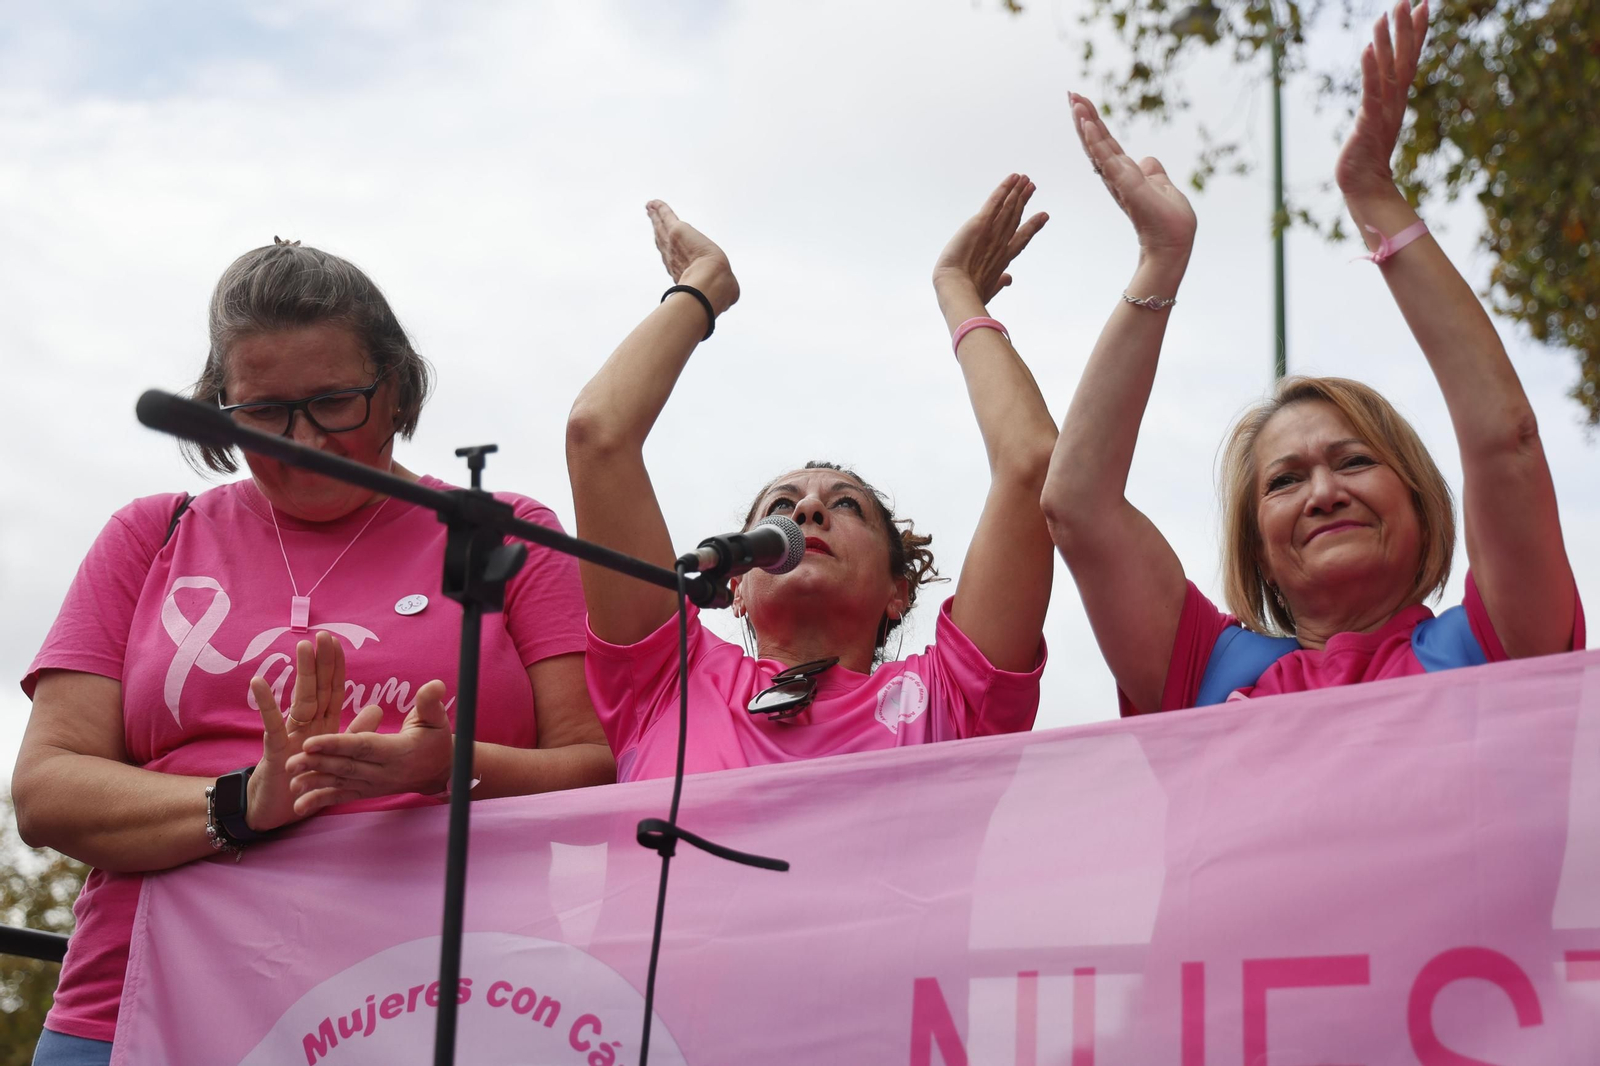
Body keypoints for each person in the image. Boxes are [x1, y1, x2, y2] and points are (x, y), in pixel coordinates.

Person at [12, 240, 613, 1064]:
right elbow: (46, 791)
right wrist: (244, 802)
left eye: (334, 402)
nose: (305, 440)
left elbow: (593, 768)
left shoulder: (505, 537)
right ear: (219, 409)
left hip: (435, 1005)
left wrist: (446, 767)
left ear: (396, 388)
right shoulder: (151, 535)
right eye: (263, 412)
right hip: (136, 1007)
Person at [1041, 1, 1583, 716]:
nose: (1324, 493)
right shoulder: (1207, 671)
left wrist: (1376, 198)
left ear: (1421, 506)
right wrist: (1160, 259)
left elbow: (1505, 441)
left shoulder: (1496, 646)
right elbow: (1077, 504)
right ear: (1257, 551)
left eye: (1354, 461)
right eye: (1284, 481)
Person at [566, 176, 1057, 781]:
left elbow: (1031, 463)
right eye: (782, 506)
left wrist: (958, 291)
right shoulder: (667, 681)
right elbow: (598, 436)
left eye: (847, 506)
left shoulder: (952, 701)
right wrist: (703, 285)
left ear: (898, 591)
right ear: (736, 587)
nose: (808, 512)